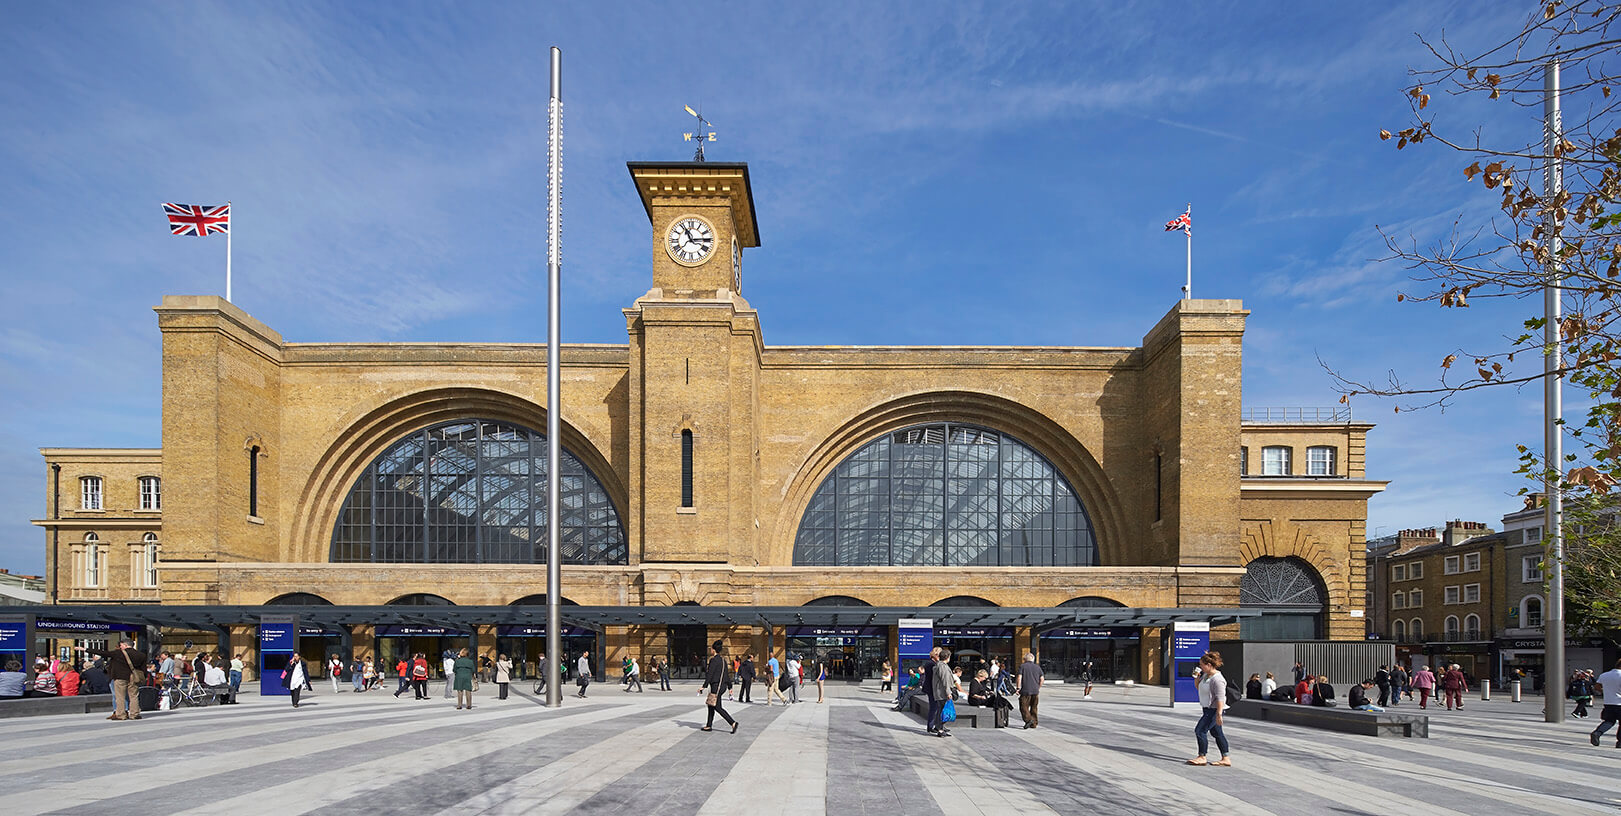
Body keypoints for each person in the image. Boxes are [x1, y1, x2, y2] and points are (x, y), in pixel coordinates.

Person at [1186, 650, 1231, 767]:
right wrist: (1196, 678)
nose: (1199, 666)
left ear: (1209, 665)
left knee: (1200, 730)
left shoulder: (1217, 679)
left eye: (1201, 664)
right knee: (1217, 733)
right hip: (1206, 709)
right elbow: (1199, 688)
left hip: (1214, 710)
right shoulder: (1206, 676)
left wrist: (1219, 714)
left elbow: (1221, 697)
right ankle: (1225, 758)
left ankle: (1202, 756)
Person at [87, 640, 147, 720]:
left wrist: (86, 649)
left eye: (121, 645)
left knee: (120, 696)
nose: (120, 647)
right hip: (134, 677)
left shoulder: (119, 653)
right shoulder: (141, 655)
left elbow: (104, 653)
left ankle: (121, 715)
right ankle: (134, 714)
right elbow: (143, 669)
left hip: (120, 677)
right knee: (134, 696)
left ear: (125, 645)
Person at [699, 640, 739, 733]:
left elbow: (710, 674)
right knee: (711, 705)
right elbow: (726, 675)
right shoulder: (723, 661)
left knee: (717, 707)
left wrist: (704, 686)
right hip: (722, 686)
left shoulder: (713, 660)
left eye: (711, 649)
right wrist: (730, 687)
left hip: (716, 686)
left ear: (713, 650)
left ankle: (732, 723)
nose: (710, 650)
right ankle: (709, 725)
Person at [1587, 657, 1621, 748]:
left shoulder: (1605, 675)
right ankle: (1620, 742)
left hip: (1609, 702)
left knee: (1609, 721)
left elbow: (1597, 687)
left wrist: (1605, 692)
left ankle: (1597, 733)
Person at [927, 648, 955, 738]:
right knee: (942, 711)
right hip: (942, 693)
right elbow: (945, 680)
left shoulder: (939, 665)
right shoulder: (942, 666)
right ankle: (940, 729)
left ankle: (940, 728)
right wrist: (948, 692)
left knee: (941, 710)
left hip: (940, 692)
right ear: (947, 657)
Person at [1016, 650, 1043, 729]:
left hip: (1025, 690)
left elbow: (1019, 677)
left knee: (1023, 707)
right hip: (1035, 691)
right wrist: (1038, 687)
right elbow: (1042, 679)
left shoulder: (1022, 666)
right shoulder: (1038, 667)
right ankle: (1034, 723)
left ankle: (1028, 720)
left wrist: (1018, 688)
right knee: (1034, 707)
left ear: (1025, 659)